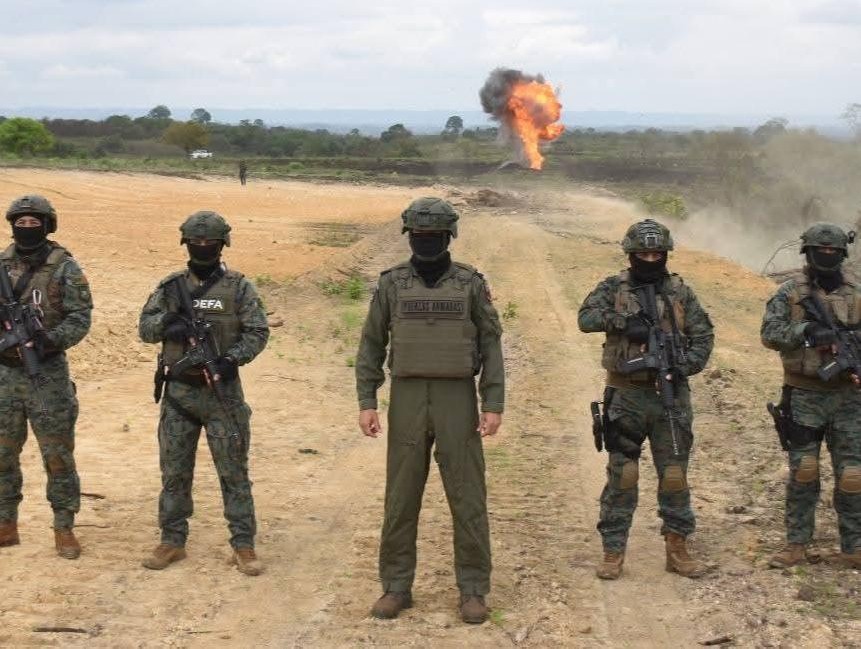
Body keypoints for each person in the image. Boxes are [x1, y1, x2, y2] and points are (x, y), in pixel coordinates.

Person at [355, 197, 504, 623]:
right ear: (409, 236)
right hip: (406, 395)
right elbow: (371, 343)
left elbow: (491, 343)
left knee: (467, 494)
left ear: (448, 237)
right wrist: (367, 400)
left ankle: (473, 589)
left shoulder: (470, 284)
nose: (425, 243)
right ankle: (396, 587)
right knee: (401, 497)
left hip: (458, 396)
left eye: (433, 237)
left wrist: (493, 402)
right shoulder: (392, 283)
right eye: (419, 236)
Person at [578, 219, 714, 580]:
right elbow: (586, 317)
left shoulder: (681, 292)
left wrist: (686, 366)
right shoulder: (613, 287)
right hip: (627, 394)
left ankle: (678, 546)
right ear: (631, 254)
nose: (651, 259)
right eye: (643, 253)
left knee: (673, 475)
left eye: (657, 253)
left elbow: (703, 335)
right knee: (623, 474)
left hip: (670, 395)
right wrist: (623, 322)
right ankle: (612, 550)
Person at [138, 211, 269, 575]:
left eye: (209, 243)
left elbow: (257, 332)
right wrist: (169, 323)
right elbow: (145, 329)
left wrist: (231, 359)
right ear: (186, 244)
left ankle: (243, 544)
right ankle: (172, 540)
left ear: (221, 244)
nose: (202, 249)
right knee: (174, 472)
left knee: (233, 473)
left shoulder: (239, 287)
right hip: (179, 394)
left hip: (222, 395)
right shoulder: (170, 287)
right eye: (195, 243)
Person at [761, 222, 861, 569]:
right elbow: (769, 333)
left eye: (833, 252)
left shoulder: (857, 292)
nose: (827, 257)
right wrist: (806, 330)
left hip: (849, 398)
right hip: (804, 394)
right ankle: (796, 544)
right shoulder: (790, 293)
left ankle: (853, 546)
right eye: (821, 252)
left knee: (852, 474)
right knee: (804, 469)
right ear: (808, 253)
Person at [0, 195, 92, 559]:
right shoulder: (1, 265)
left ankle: (64, 526)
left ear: (48, 224)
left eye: (33, 221)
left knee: (57, 454)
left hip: (47, 374)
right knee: (2, 454)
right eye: (19, 222)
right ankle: (6, 522)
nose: (26, 227)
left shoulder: (65, 267)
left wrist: (49, 340)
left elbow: (80, 317)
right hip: (4, 374)